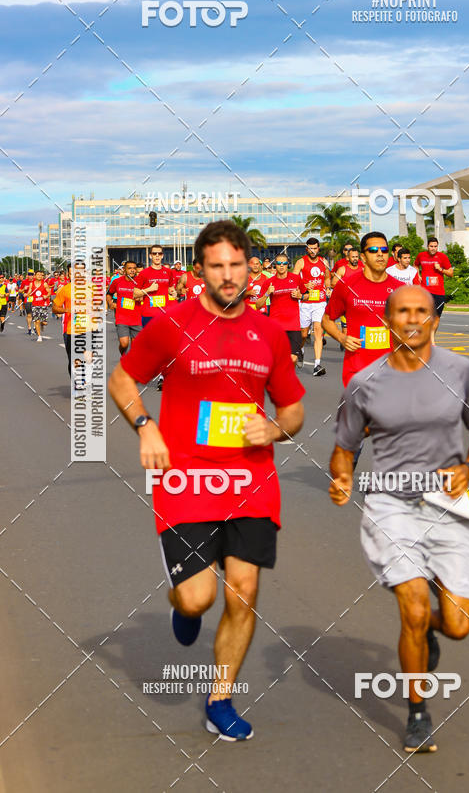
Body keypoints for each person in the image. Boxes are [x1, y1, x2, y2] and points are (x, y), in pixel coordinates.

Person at [108, 220, 305, 742]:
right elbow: (122, 378)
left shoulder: (269, 332)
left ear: (250, 267)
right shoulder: (171, 324)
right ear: (199, 270)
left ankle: (220, 699)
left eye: (236, 265)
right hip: (187, 480)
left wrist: (276, 429)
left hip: (251, 477)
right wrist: (145, 426)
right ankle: (183, 603)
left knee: (244, 591)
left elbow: (293, 408)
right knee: (198, 598)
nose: (228, 275)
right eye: (217, 266)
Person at [329, 284, 469, 754]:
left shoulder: (460, 371)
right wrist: (342, 478)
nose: (414, 319)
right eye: (403, 311)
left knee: (457, 625)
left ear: (434, 319)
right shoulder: (364, 383)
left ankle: (431, 633)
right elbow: (344, 448)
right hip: (391, 505)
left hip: (448, 504)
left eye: (422, 311)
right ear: (387, 320)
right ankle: (418, 712)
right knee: (414, 609)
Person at [322, 232, 404, 388]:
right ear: (363, 257)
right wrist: (342, 338)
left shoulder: (401, 289)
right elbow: (326, 320)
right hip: (357, 372)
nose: (380, 254)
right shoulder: (347, 286)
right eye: (373, 250)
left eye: (384, 250)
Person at [136, 245, 176, 390]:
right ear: (150, 256)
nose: (157, 256)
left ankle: (162, 376)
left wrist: (173, 293)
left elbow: (171, 289)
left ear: (163, 255)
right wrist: (149, 289)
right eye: (154, 253)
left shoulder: (168, 272)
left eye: (159, 253)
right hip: (149, 314)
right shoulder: (144, 273)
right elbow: (135, 294)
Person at [293, 238, 331, 376]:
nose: (313, 251)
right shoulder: (301, 262)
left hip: (320, 302)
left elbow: (327, 278)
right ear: (307, 249)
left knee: (318, 331)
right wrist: (304, 285)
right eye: (310, 248)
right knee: (303, 334)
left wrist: (328, 288)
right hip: (305, 302)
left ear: (318, 249)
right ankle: (300, 350)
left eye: (315, 248)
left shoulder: (324, 262)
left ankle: (317, 365)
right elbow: (293, 279)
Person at [52, 262, 92, 385]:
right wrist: (67, 310)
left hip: (89, 327)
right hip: (70, 328)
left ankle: (86, 378)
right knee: (74, 358)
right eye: (72, 273)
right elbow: (55, 308)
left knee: (88, 356)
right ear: (68, 275)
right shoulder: (65, 289)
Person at [265, 254, 303, 363]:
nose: (281, 265)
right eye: (279, 263)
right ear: (275, 265)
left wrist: (300, 296)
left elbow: (307, 295)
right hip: (276, 326)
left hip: (293, 325)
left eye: (284, 263)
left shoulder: (296, 279)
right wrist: (267, 293)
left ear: (288, 265)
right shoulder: (269, 282)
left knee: (293, 358)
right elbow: (258, 304)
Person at [414, 237, 453, 339]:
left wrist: (441, 269)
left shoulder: (442, 257)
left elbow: (451, 273)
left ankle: (431, 339)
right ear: (427, 246)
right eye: (431, 246)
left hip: (439, 292)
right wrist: (417, 275)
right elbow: (415, 265)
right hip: (425, 291)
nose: (433, 248)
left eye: (435, 246)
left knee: (436, 318)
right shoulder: (421, 255)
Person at [106, 260, 143, 355]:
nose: (132, 270)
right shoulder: (117, 281)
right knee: (124, 344)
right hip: (121, 318)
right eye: (129, 268)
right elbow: (109, 294)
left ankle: (130, 361)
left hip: (136, 319)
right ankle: (123, 355)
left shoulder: (140, 281)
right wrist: (110, 303)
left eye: (134, 268)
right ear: (124, 270)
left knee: (135, 346)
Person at [30, 270, 51, 343]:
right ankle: (39, 336)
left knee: (44, 322)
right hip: (35, 304)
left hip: (43, 304)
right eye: (38, 274)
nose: (39, 276)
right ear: (35, 276)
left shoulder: (44, 284)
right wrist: (26, 294)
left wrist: (46, 296)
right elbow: (29, 292)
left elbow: (49, 292)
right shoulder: (32, 284)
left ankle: (42, 324)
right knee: (37, 321)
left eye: (41, 275)